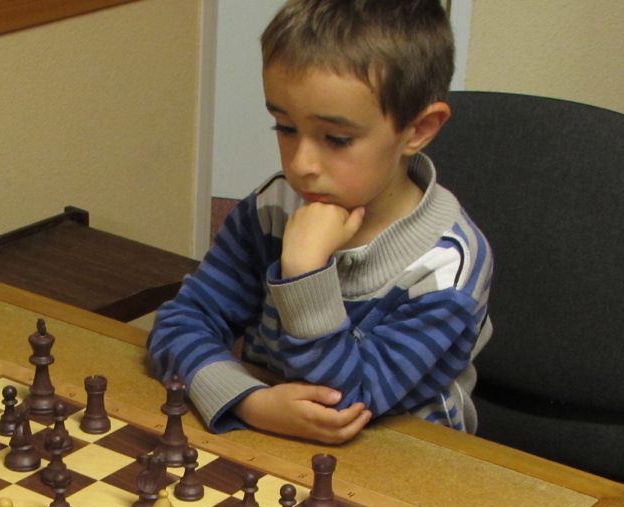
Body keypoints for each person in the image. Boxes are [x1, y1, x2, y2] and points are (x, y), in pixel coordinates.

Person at [147, 0, 492, 445]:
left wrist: (305, 274)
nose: (301, 165)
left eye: (337, 138)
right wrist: (247, 401)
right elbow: (180, 322)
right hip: (271, 438)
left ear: (419, 129)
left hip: (404, 460)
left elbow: (346, 403)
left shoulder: (446, 269)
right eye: (285, 127)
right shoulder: (273, 209)